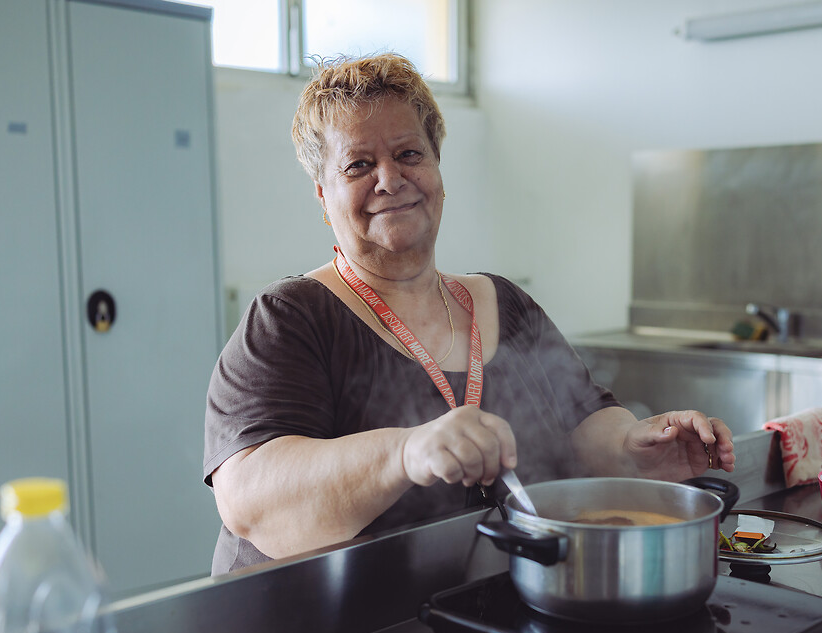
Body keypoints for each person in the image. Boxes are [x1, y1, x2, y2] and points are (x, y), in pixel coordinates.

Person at [204, 53, 734, 573]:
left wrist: (635, 449)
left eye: (409, 154)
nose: (389, 179)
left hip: (485, 605)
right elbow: (252, 502)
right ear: (324, 197)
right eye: (359, 165)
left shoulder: (505, 303)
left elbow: (581, 423)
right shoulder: (289, 318)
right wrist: (405, 452)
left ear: (436, 168)